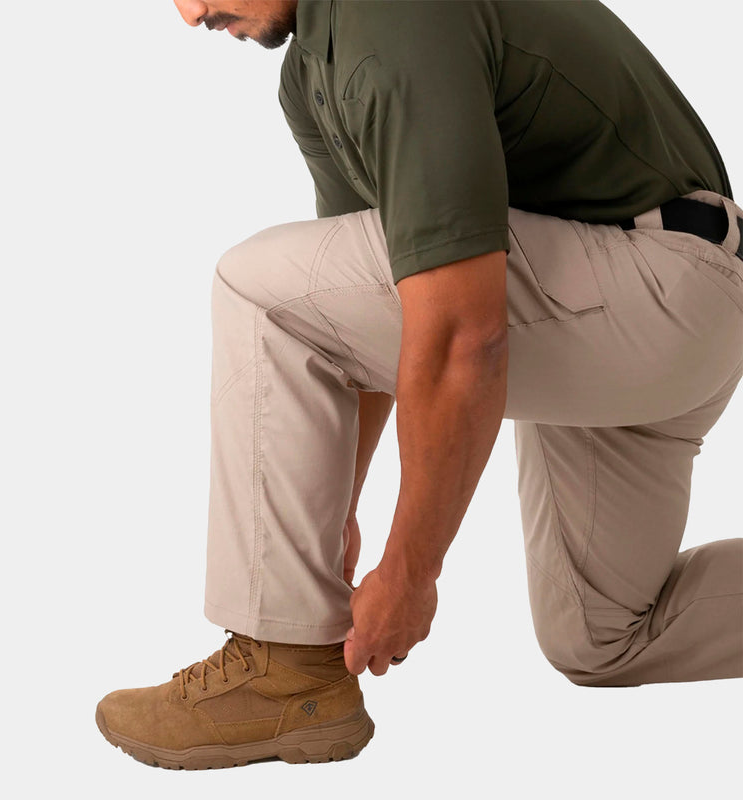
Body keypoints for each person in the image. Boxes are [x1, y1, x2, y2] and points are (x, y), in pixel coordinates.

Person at [95, 0, 743, 770]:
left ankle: (285, 676)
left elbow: (462, 334)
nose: (191, 12)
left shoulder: (391, 16)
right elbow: (363, 317)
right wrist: (333, 511)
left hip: (658, 287)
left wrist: (411, 570)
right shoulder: (312, 74)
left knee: (255, 287)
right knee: (600, 635)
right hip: (647, 312)